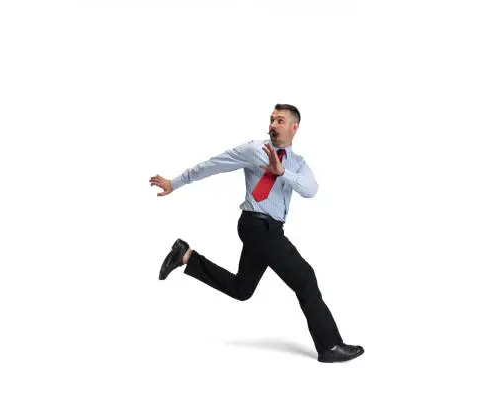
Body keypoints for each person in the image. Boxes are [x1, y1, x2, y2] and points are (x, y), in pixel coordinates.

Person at [149, 104, 364, 363]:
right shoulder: (254, 150)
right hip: (256, 225)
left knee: (242, 289)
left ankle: (186, 256)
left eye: (280, 121)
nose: (273, 125)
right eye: (272, 120)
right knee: (305, 278)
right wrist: (175, 182)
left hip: (270, 229)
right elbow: (213, 165)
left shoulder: (297, 163)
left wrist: (282, 172)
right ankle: (329, 347)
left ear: (294, 127)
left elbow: (311, 190)